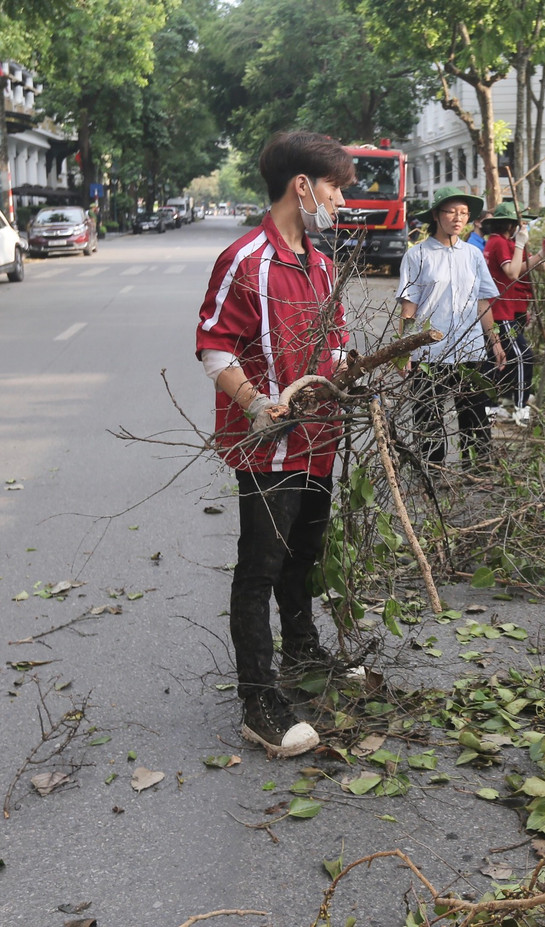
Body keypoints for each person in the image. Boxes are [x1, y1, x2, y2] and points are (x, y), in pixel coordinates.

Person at [194, 131, 354, 758]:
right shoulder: (245, 259)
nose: (340, 202)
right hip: (268, 447)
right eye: (336, 188)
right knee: (260, 567)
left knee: (305, 554)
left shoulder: (320, 264)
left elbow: (335, 342)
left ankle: (303, 652)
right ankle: (259, 699)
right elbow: (215, 347)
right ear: (302, 187)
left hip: (320, 442)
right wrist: (258, 404)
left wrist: (350, 373)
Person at [397, 187, 505, 467]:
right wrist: (403, 351)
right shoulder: (417, 256)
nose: (458, 218)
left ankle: (478, 468)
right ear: (436, 215)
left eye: (464, 213)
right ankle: (432, 472)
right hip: (430, 353)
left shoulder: (472, 255)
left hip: (469, 349)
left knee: (474, 412)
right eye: (451, 211)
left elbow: (482, 301)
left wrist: (494, 341)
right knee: (427, 415)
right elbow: (409, 307)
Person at [482, 201, 545, 424]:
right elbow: (513, 272)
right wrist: (520, 244)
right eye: (520, 223)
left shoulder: (501, 242)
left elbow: (526, 266)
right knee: (523, 357)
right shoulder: (501, 244)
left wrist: (544, 256)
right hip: (500, 313)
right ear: (512, 224)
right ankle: (520, 409)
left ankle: (493, 407)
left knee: (498, 359)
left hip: (503, 311)